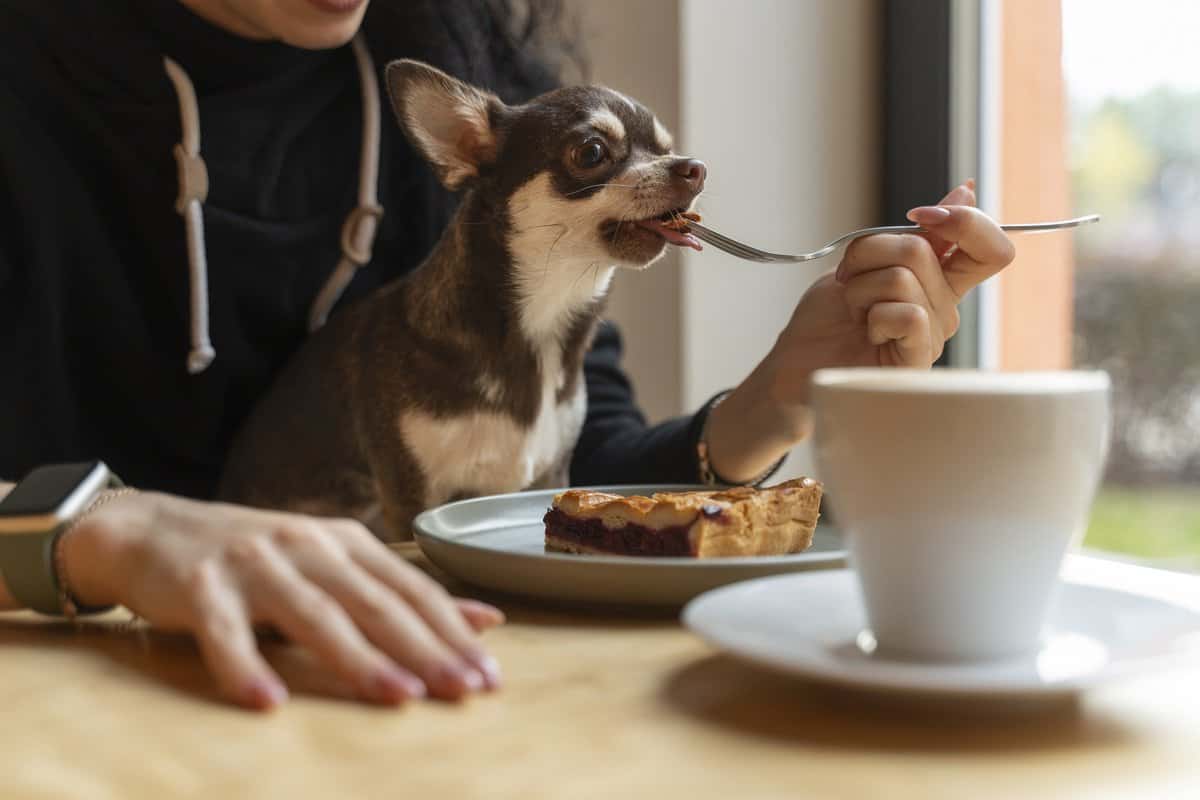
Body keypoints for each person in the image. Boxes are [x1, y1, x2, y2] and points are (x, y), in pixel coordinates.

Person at [0, 0, 1015, 710]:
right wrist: (95, 531)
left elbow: (552, 492)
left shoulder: (458, 75)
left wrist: (786, 391)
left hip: (410, 694)